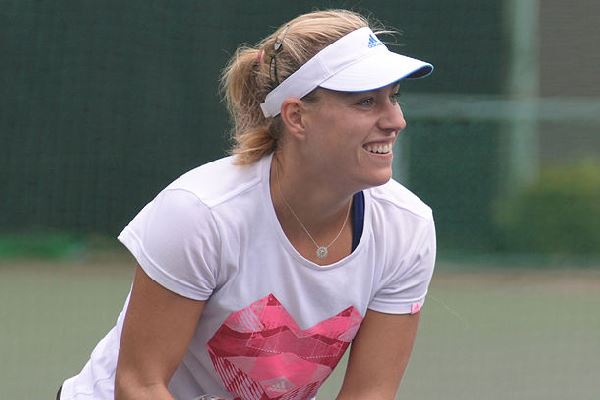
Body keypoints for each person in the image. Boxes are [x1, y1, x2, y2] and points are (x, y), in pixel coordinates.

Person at [58, 9, 435, 400]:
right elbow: (140, 385)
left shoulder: (408, 229)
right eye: (366, 102)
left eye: (393, 98)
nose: (396, 120)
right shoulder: (200, 214)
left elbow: (371, 392)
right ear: (296, 116)